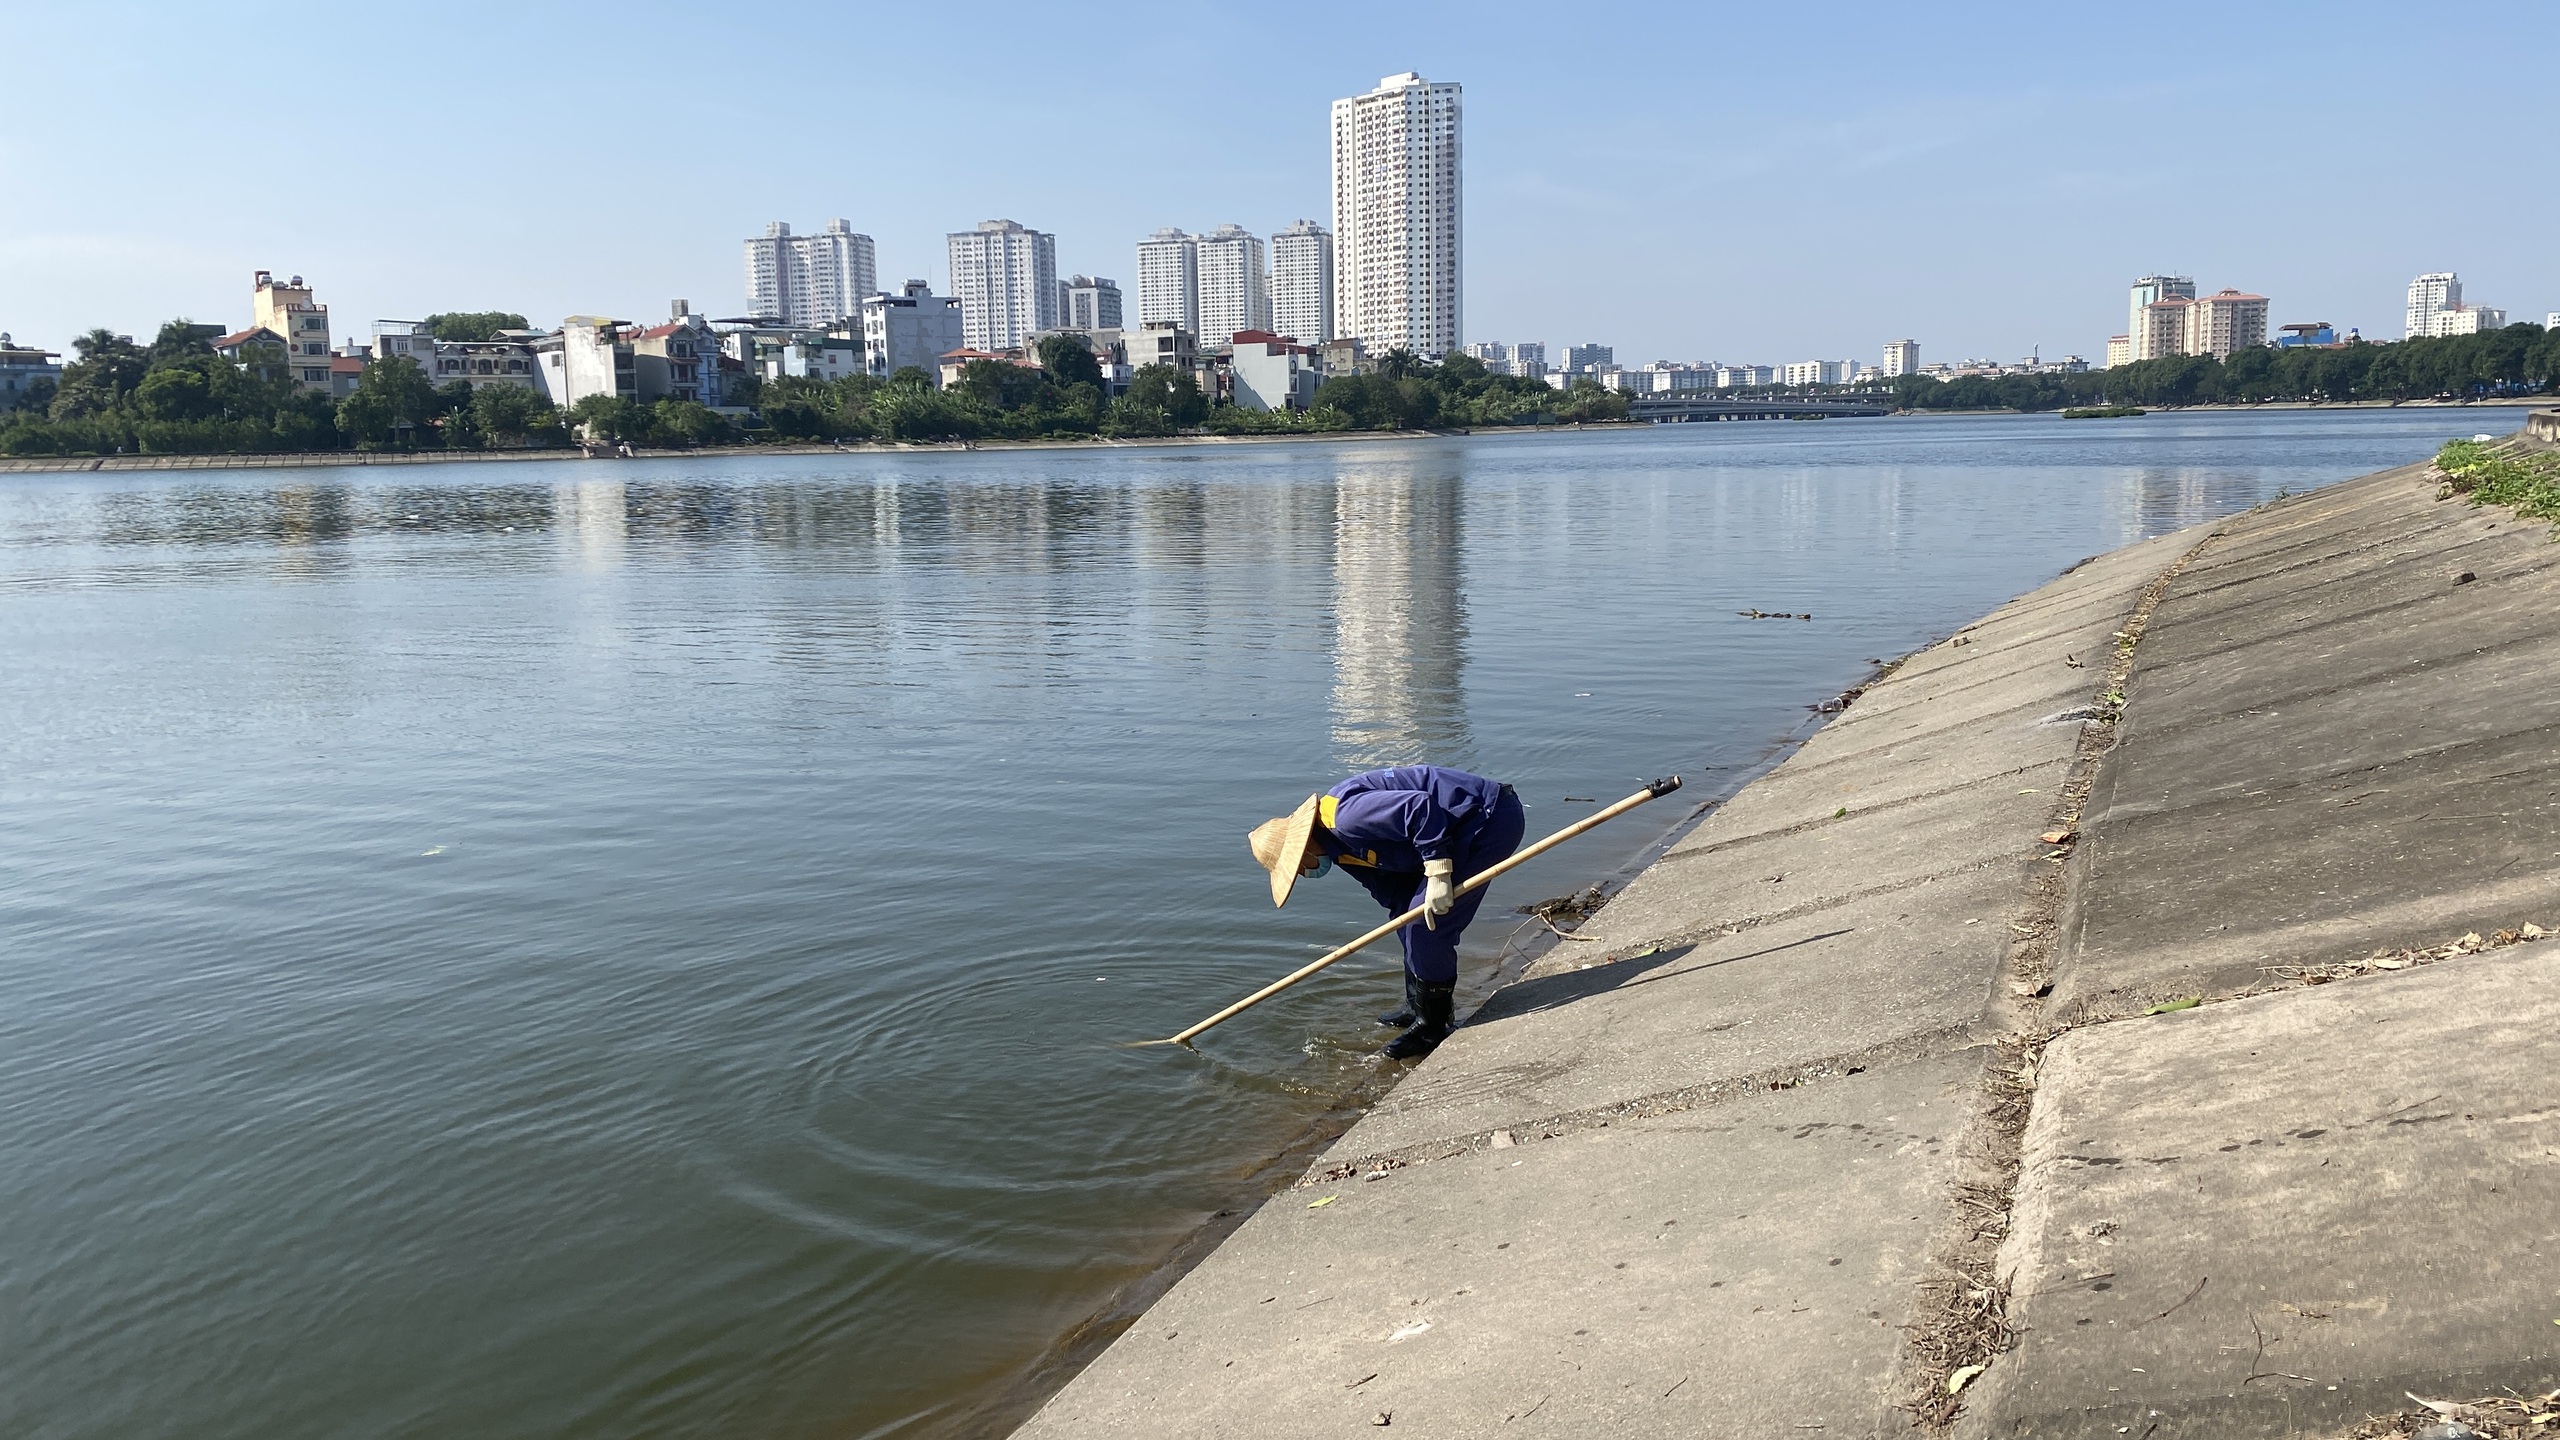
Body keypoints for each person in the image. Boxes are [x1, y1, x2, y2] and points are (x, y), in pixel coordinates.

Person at [1247, 765, 1526, 1059]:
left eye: (1299, 868)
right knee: (1407, 919)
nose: (1303, 874)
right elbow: (1392, 893)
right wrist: (1402, 916)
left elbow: (1419, 808)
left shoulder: (1346, 819)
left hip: (1487, 818)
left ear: (1304, 849)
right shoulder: (1339, 849)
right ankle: (1418, 1004)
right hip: (1456, 831)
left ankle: (1433, 1027)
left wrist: (1439, 871)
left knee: (1427, 923)